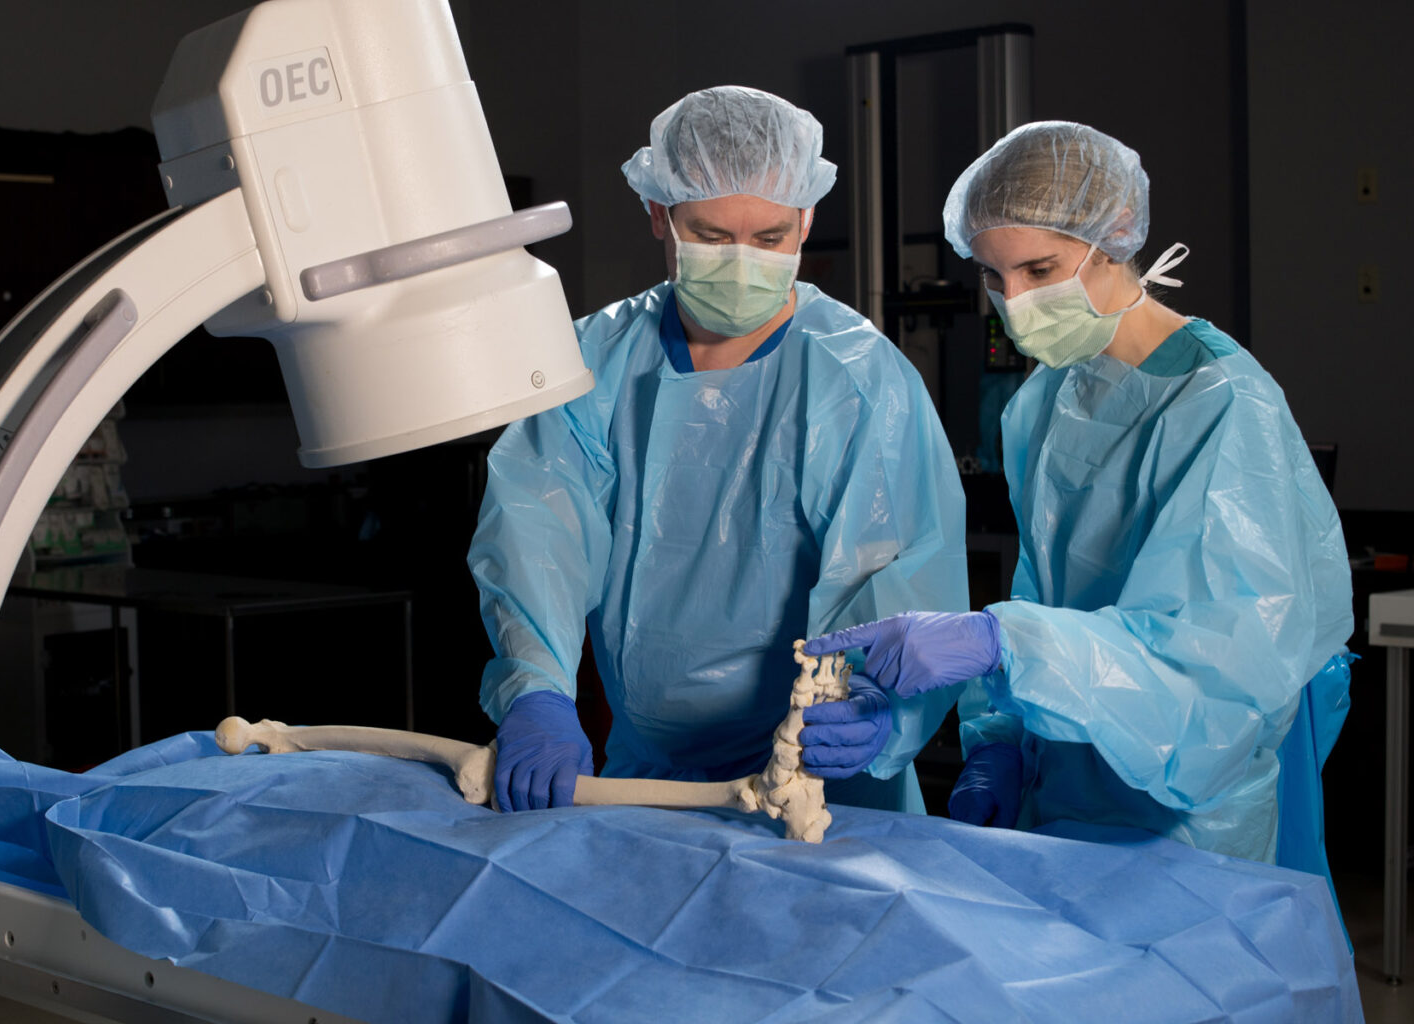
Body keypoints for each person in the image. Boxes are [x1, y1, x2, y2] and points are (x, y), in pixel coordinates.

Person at [805, 121, 1354, 888]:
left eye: (1040, 268)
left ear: (1115, 235)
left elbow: (1218, 675)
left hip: (1188, 819)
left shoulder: (1223, 407)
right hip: (1060, 782)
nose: (1016, 301)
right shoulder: (1045, 404)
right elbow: (1044, 593)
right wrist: (1000, 739)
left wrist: (1002, 644)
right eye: (995, 275)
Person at [468, 86, 969, 816]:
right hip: (645, 780)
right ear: (658, 214)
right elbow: (536, 534)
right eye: (709, 234)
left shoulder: (858, 379)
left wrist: (869, 705)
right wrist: (535, 689)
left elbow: (899, 578)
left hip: (820, 785)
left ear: (806, 219)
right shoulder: (592, 363)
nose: (741, 262)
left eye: (769, 238)